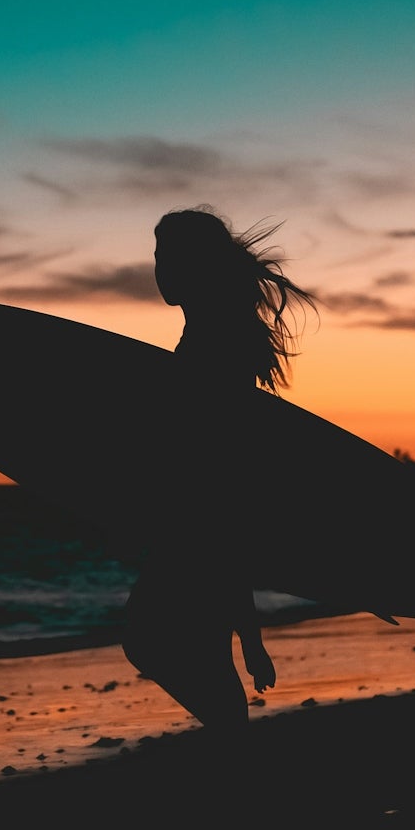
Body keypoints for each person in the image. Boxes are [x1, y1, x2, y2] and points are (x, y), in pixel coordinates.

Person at [121, 205, 321, 731]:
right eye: (157, 256)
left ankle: (235, 764)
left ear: (196, 265)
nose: (160, 269)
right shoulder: (213, 337)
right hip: (199, 524)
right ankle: (234, 769)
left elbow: (220, 470)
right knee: (195, 652)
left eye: (169, 257)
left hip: (201, 524)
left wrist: (251, 635)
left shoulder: (214, 346)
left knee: (147, 639)